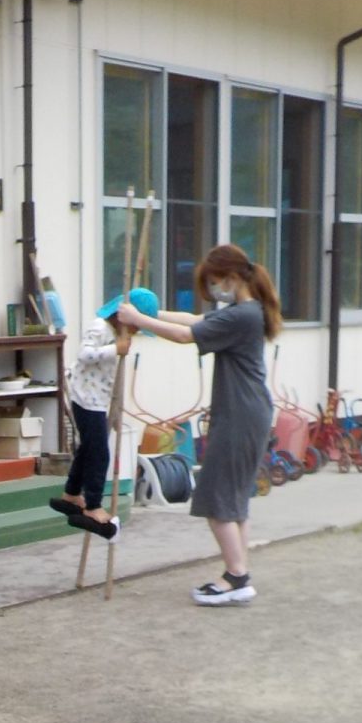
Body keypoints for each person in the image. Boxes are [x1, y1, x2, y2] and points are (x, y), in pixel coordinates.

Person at [139, 245, 282, 605]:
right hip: (247, 412)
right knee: (234, 502)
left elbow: (185, 336)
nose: (215, 290)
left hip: (239, 415)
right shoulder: (245, 311)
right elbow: (193, 321)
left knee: (216, 500)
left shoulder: (242, 315)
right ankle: (239, 572)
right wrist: (151, 313)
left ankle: (236, 577)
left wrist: (139, 321)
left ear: (232, 278)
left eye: (216, 282)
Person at [50, 286, 166, 538]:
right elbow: (84, 354)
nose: (136, 331)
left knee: (88, 449)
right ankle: (93, 505)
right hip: (85, 398)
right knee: (100, 453)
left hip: (97, 400)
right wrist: (116, 349)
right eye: (135, 326)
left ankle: (72, 493)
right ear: (122, 317)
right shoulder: (100, 327)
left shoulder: (115, 333)